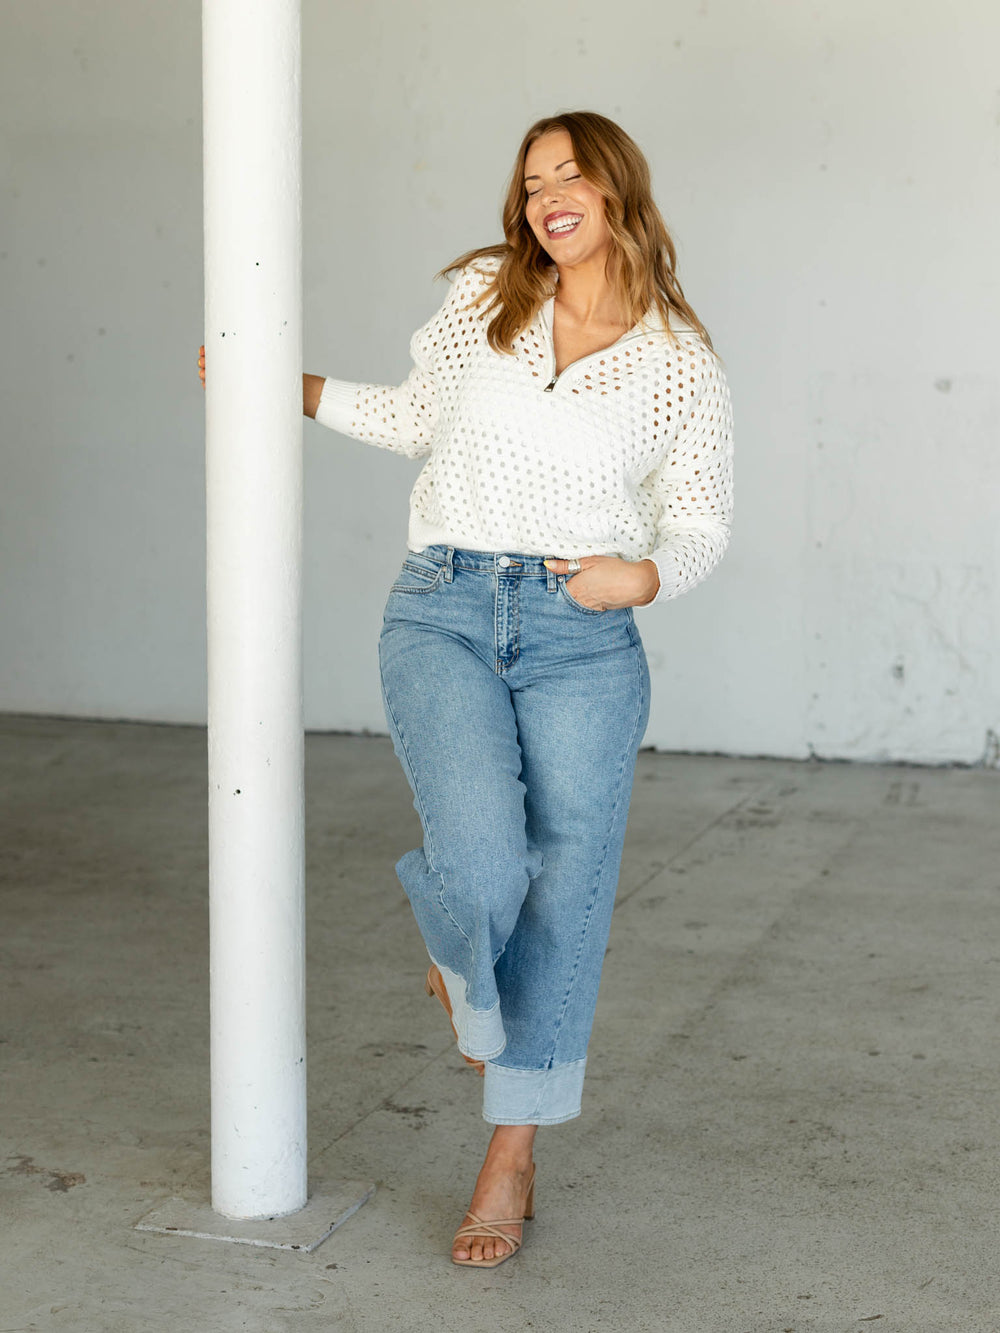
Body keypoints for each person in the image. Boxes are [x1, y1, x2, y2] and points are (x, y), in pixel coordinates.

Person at [198, 109, 733, 1268]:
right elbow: (409, 420)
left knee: (568, 894)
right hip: (442, 604)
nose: (548, 193)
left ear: (616, 190)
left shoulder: (678, 358)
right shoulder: (487, 292)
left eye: (570, 174)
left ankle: (509, 1158)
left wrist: (635, 573)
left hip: (582, 639)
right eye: (533, 177)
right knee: (483, 865)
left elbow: (697, 526)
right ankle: (466, 974)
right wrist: (275, 383)